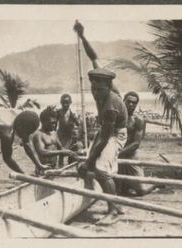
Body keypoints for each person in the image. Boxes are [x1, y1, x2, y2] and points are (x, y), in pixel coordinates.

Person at [75, 21, 128, 216]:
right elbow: (93, 56)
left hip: (116, 134)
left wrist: (89, 162)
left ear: (108, 86)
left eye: (99, 90)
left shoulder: (110, 106)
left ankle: (114, 207)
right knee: (92, 164)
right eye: (93, 88)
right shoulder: (102, 77)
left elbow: (105, 138)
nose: (95, 93)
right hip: (106, 131)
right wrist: (82, 36)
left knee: (101, 170)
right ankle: (98, 193)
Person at [117, 91, 158, 196]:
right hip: (117, 153)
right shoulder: (117, 117)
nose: (131, 105)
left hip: (130, 154)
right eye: (129, 101)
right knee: (119, 190)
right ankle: (126, 185)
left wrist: (119, 153)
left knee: (141, 191)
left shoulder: (138, 120)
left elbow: (136, 143)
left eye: (134, 103)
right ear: (123, 101)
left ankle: (154, 181)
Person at [33, 106, 78, 176]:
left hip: (53, 168)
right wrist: (61, 151)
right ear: (43, 122)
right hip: (42, 170)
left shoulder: (54, 134)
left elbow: (61, 149)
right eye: (52, 123)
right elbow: (42, 152)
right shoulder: (38, 134)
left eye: (55, 122)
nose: (54, 125)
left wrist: (72, 150)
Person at [57, 94, 79, 166]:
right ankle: (60, 166)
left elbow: (78, 124)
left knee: (72, 151)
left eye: (67, 102)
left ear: (70, 102)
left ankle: (71, 165)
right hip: (61, 135)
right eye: (63, 102)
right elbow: (54, 124)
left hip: (70, 135)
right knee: (61, 151)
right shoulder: (58, 112)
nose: (65, 104)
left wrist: (77, 131)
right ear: (61, 103)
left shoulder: (72, 114)